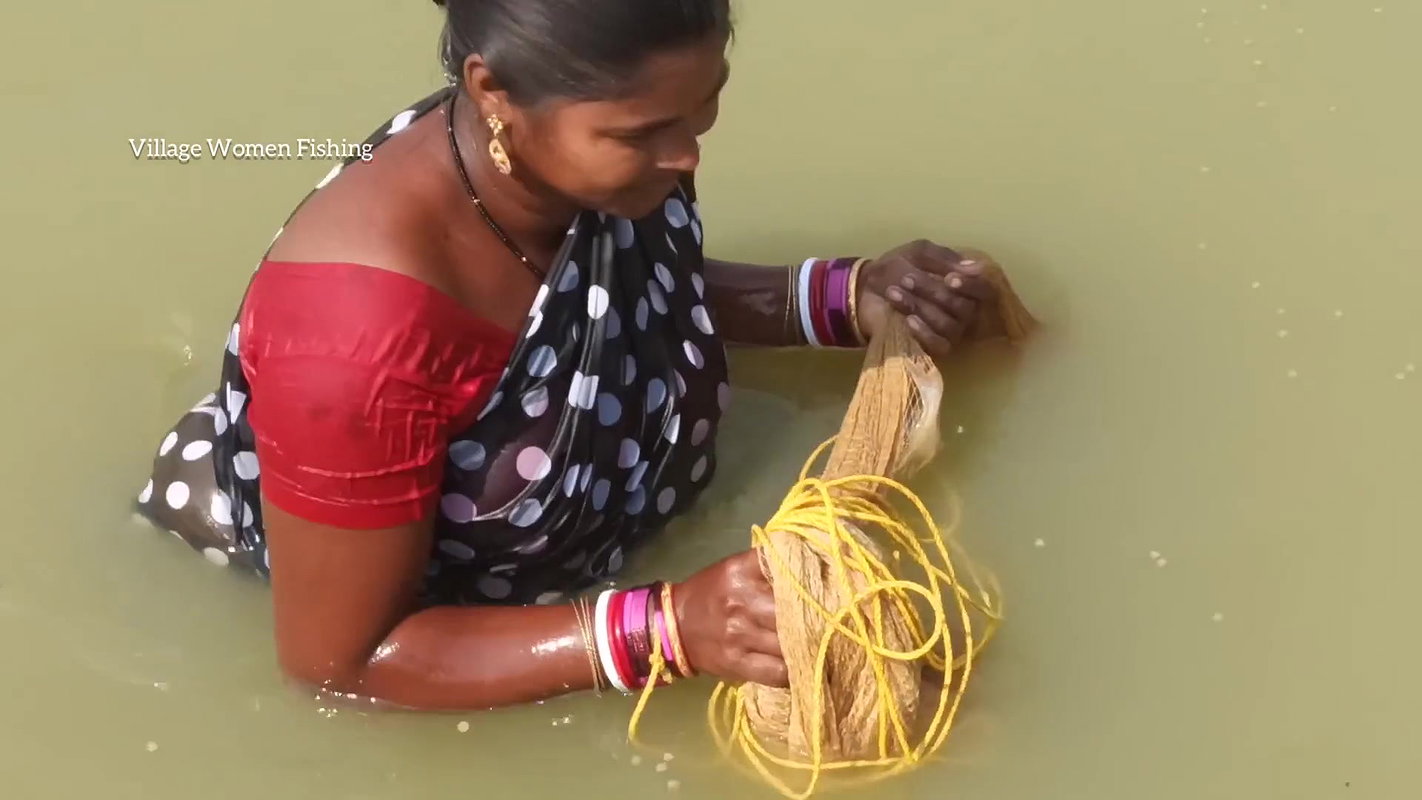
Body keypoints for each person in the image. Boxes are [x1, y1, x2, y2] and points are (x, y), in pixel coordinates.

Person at [136, 0, 1001, 711]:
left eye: (706, 105)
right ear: (492, 91)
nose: (687, 154)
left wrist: (836, 299)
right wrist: (666, 630)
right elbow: (346, 662)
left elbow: (634, 290)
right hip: (393, 599)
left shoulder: (582, 153)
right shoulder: (354, 343)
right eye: (645, 132)